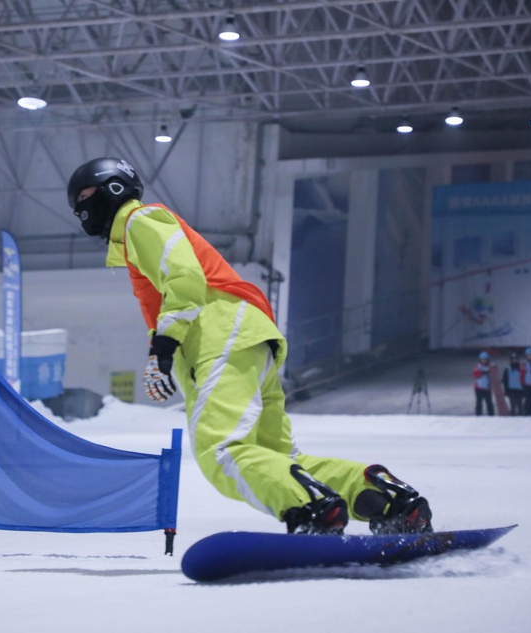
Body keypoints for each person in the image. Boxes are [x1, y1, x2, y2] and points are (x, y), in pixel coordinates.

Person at [66, 157, 432, 536]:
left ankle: (311, 509)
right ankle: (389, 502)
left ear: (113, 187)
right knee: (277, 459)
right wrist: (160, 355)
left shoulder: (138, 220)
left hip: (218, 335)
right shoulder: (136, 236)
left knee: (221, 453)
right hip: (246, 337)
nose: (81, 209)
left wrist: (163, 349)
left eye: (84, 196)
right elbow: (176, 291)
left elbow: (185, 278)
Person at [473, 351, 495, 416]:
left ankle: (491, 414)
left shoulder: (489, 367)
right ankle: (478, 414)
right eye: (482, 360)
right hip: (479, 388)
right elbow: (476, 374)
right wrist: (484, 372)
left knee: (489, 403)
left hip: (487, 388)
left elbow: (494, 372)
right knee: (479, 403)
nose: (484, 361)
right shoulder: (477, 367)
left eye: (485, 360)